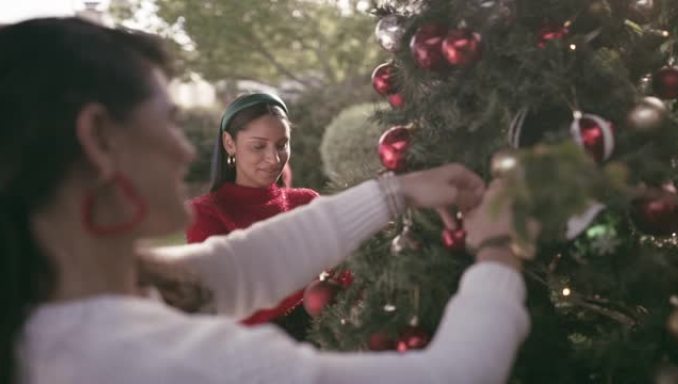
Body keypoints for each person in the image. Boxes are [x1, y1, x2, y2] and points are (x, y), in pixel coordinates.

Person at [1, 18, 534, 384]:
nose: (183, 147)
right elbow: (452, 375)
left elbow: (233, 267)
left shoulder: (48, 307)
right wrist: (499, 248)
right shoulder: (147, 360)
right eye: (166, 120)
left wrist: (399, 191)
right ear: (99, 139)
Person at [185, 92, 318, 337]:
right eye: (258, 146)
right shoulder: (205, 214)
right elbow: (225, 306)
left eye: (282, 145)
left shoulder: (307, 202)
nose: (274, 158)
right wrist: (309, 295)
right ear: (229, 143)